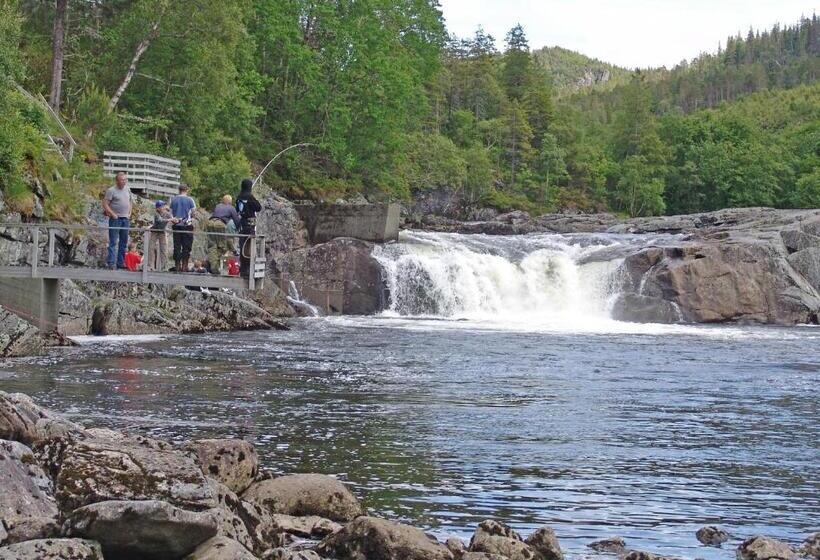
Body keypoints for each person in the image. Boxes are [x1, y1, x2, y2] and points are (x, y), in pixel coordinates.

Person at [102, 172, 132, 269]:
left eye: (125, 180)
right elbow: (105, 204)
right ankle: (111, 262)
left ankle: (121, 262)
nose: (124, 181)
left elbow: (130, 202)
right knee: (113, 241)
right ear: (117, 181)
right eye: (122, 180)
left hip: (125, 219)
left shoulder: (128, 189)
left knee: (124, 242)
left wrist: (130, 213)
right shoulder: (111, 190)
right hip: (115, 219)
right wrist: (112, 214)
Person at [205, 194, 241, 274]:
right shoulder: (231, 208)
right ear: (230, 202)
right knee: (221, 246)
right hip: (220, 224)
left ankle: (210, 265)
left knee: (212, 245)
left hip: (210, 223)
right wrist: (239, 230)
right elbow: (237, 220)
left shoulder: (218, 206)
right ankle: (214, 268)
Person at [236, 179, 262, 278]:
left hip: (242, 224)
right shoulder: (250, 197)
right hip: (250, 225)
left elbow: (237, 210)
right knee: (249, 247)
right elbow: (258, 207)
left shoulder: (238, 197)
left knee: (242, 245)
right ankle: (248, 270)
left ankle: (243, 269)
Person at [170, 184, 196, 272]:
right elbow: (193, 213)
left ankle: (177, 265)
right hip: (187, 225)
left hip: (176, 225)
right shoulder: (190, 200)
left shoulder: (173, 199)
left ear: (179, 190)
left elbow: (171, 213)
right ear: (187, 190)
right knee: (186, 246)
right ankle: (185, 266)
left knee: (177, 245)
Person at [149, 200, 174, 271]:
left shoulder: (168, 214)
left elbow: (172, 219)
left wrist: (175, 220)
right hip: (154, 231)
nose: (163, 207)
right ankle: (150, 266)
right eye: (161, 206)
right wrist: (170, 219)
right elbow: (160, 220)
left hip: (162, 232)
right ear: (158, 208)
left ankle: (164, 267)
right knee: (151, 248)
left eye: (163, 206)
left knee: (164, 249)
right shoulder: (156, 214)